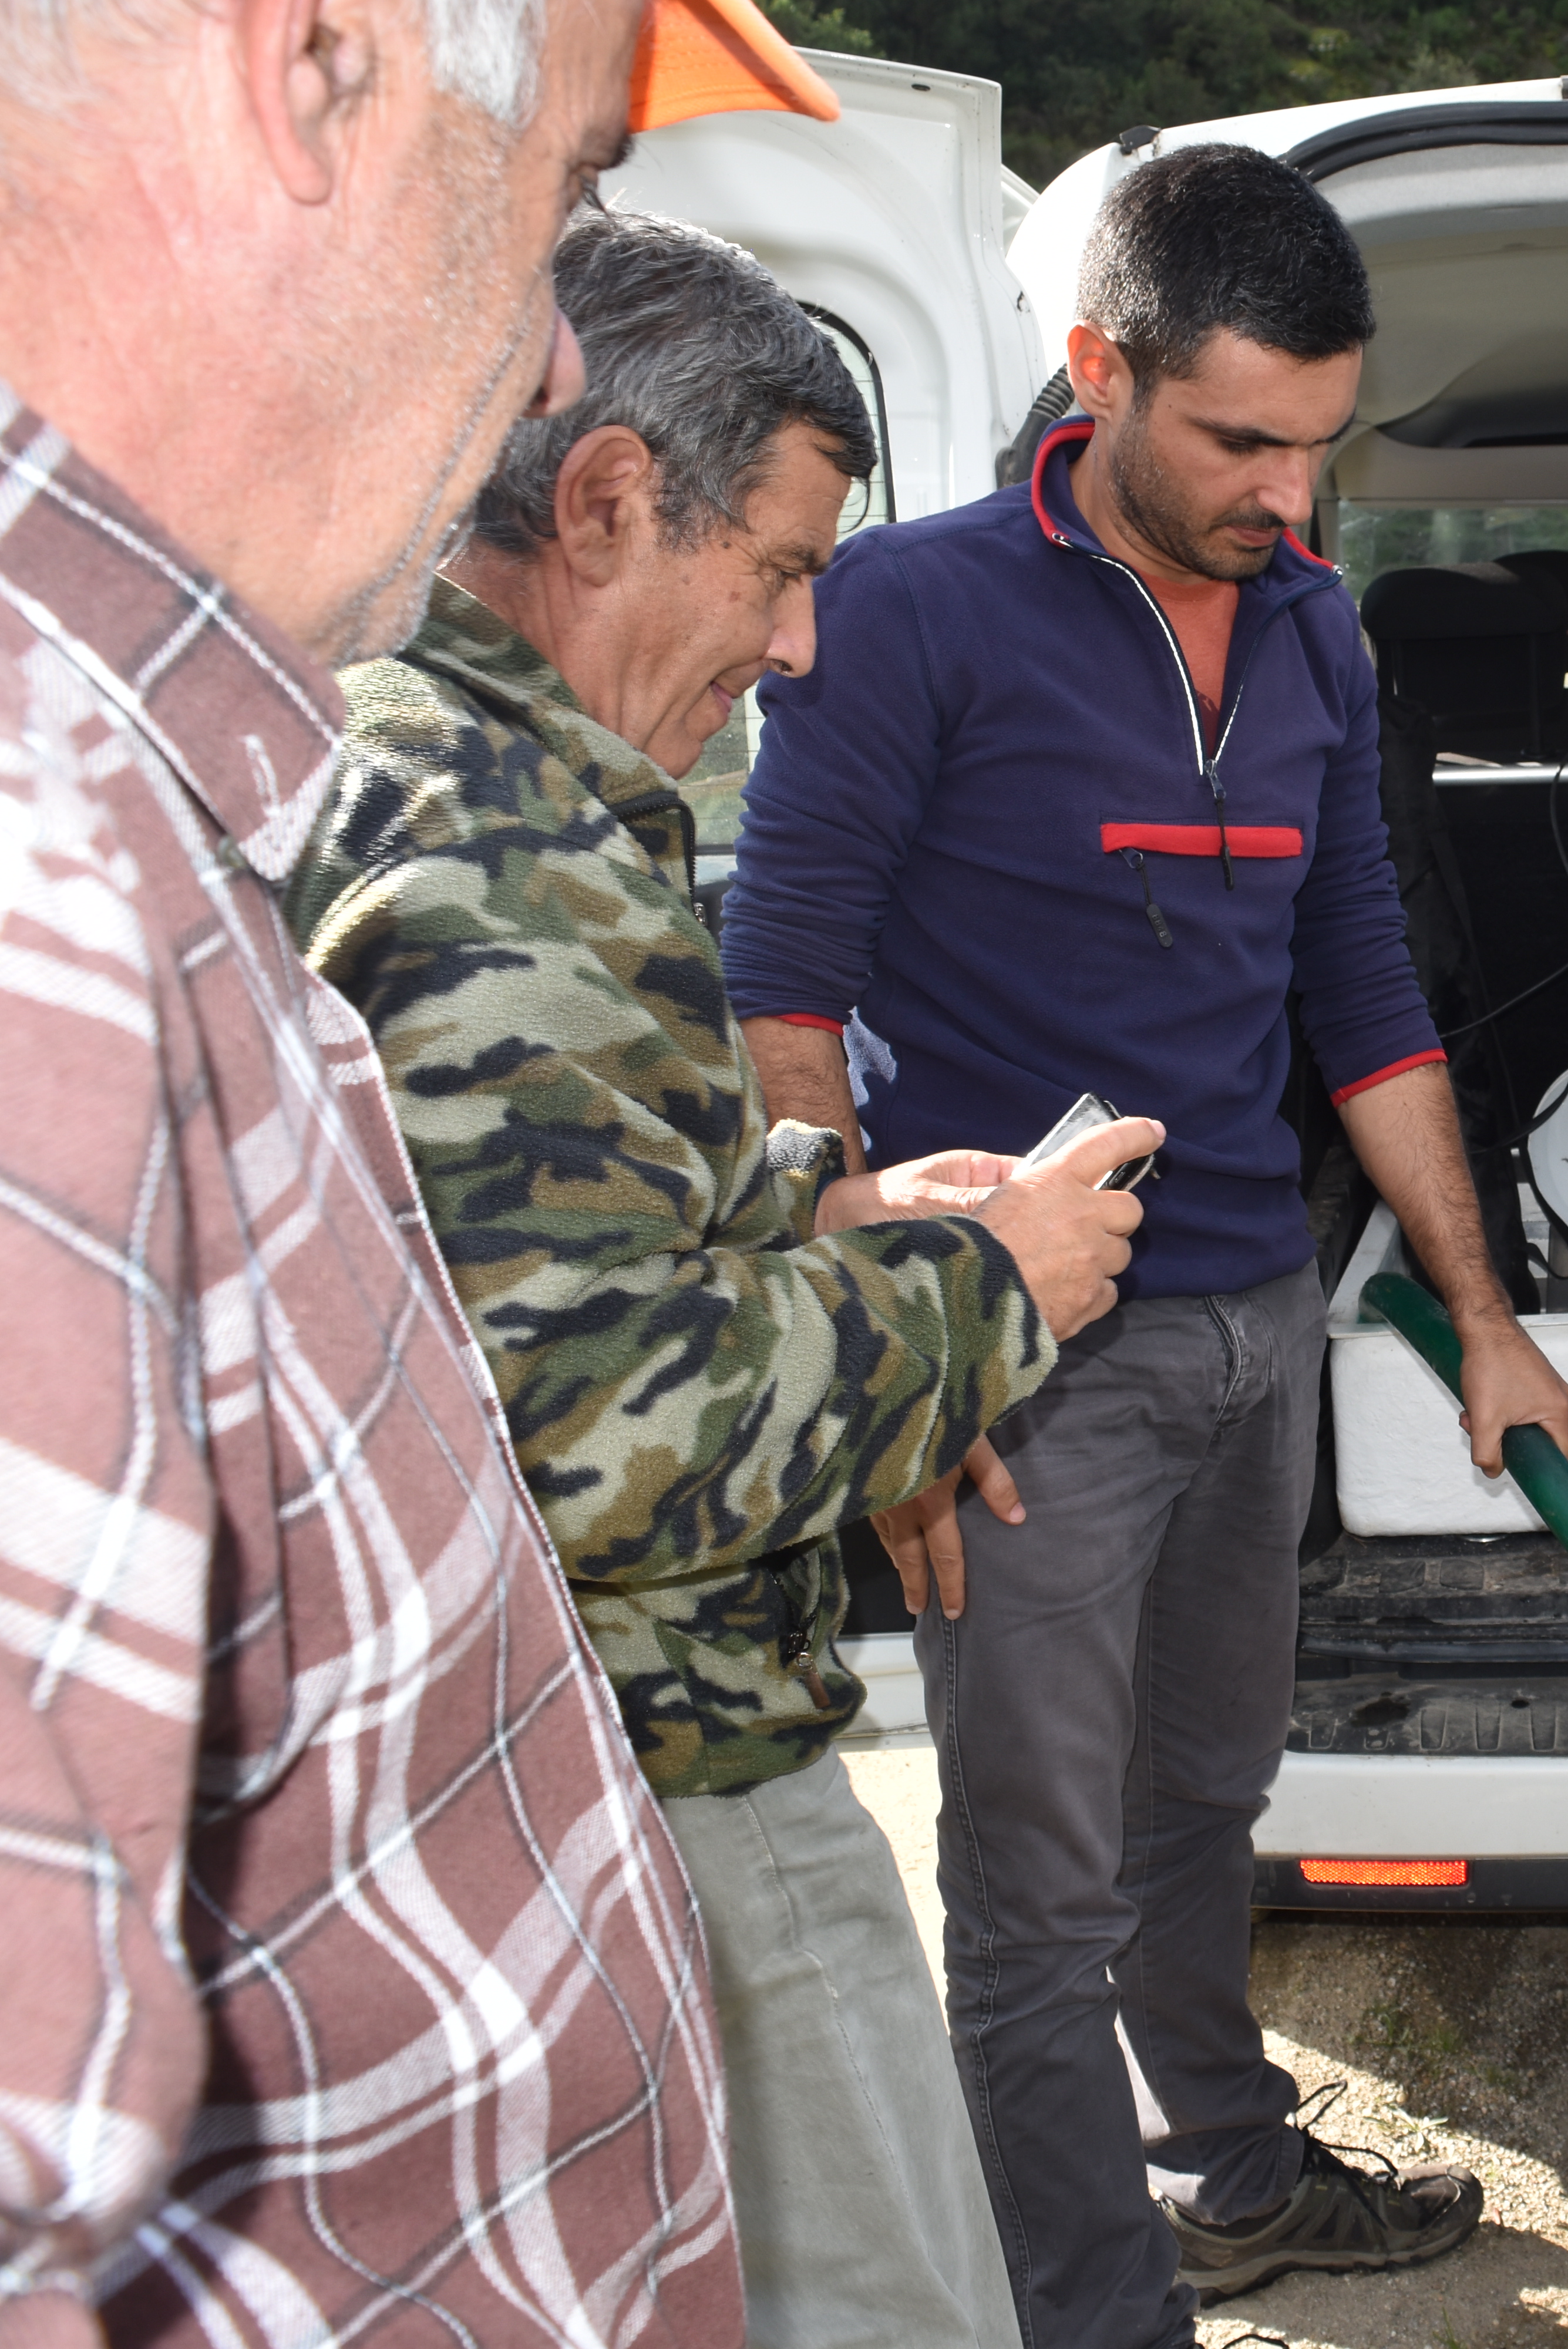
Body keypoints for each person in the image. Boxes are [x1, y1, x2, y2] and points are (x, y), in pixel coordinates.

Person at [0, 0, 839, 2331]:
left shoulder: (159, 800)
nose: (554, 345)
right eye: (565, 184)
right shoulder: (43, 892)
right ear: (311, 63)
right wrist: (974, 1298)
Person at [719, 144, 1568, 2345]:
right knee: (1033, 1889)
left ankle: (1229, 2175)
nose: (1293, 495)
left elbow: (1362, 987)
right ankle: (1089, 2309)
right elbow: (785, 993)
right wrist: (890, 1363)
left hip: (1254, 1319)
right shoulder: (904, 611)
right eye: (1242, 440)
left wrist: (1481, 1313)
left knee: (1205, 1796)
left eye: (1324, 442)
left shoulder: (1313, 626)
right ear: (1098, 371)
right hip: (1018, 1360)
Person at [284, 208, 1158, 2349]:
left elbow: (487, 1252)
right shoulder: (502, 867)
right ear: (605, 502)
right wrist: (996, 1294)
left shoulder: (404, 747)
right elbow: (596, 1431)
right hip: (676, 1775)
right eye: (775, 568)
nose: (796, 644)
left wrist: (816, 1214)